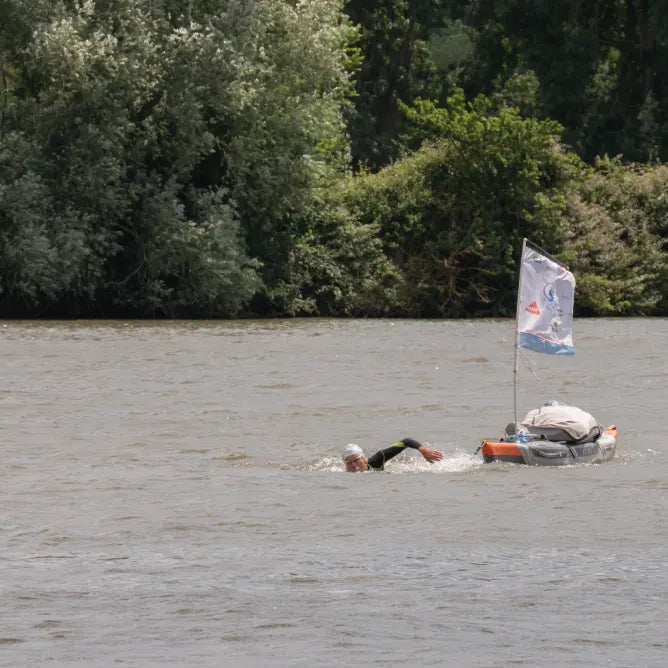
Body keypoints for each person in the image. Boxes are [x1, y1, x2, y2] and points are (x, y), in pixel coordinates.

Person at [342, 438, 443, 472]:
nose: (354, 466)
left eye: (356, 460)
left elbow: (406, 441)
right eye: (349, 463)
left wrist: (425, 451)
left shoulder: (377, 460)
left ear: (363, 459)